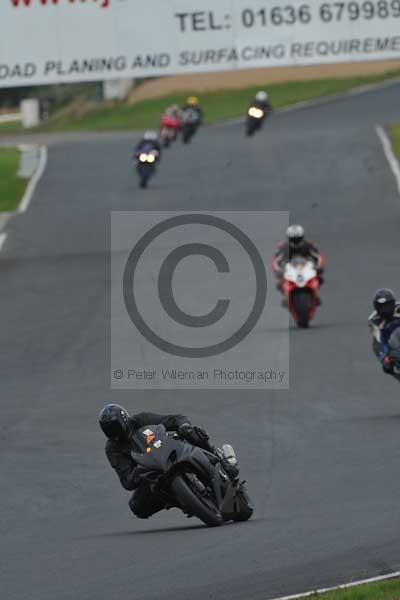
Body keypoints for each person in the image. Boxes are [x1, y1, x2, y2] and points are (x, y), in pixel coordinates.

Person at [99, 404, 243, 519]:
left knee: (192, 432)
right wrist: (135, 475)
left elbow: (173, 419)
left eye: (115, 426)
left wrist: (183, 425)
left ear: (123, 420)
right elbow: (125, 478)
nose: (113, 432)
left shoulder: (140, 420)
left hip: (169, 449)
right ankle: (183, 501)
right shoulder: (112, 449)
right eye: (108, 430)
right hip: (151, 471)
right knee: (137, 506)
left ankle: (222, 461)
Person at [272, 225, 325, 296]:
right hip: (290, 268)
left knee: (320, 279)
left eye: (297, 239)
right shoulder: (283, 247)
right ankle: (286, 296)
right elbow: (276, 260)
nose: (295, 241)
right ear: (289, 238)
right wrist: (278, 270)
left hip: (306, 267)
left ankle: (315, 294)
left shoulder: (308, 245)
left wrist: (318, 267)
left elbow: (318, 256)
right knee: (279, 284)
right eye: (293, 239)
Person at [368, 288, 400, 374]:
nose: (385, 309)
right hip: (390, 341)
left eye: (387, 305)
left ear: (393, 303)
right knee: (376, 345)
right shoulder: (374, 320)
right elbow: (378, 340)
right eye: (381, 306)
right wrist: (384, 357)